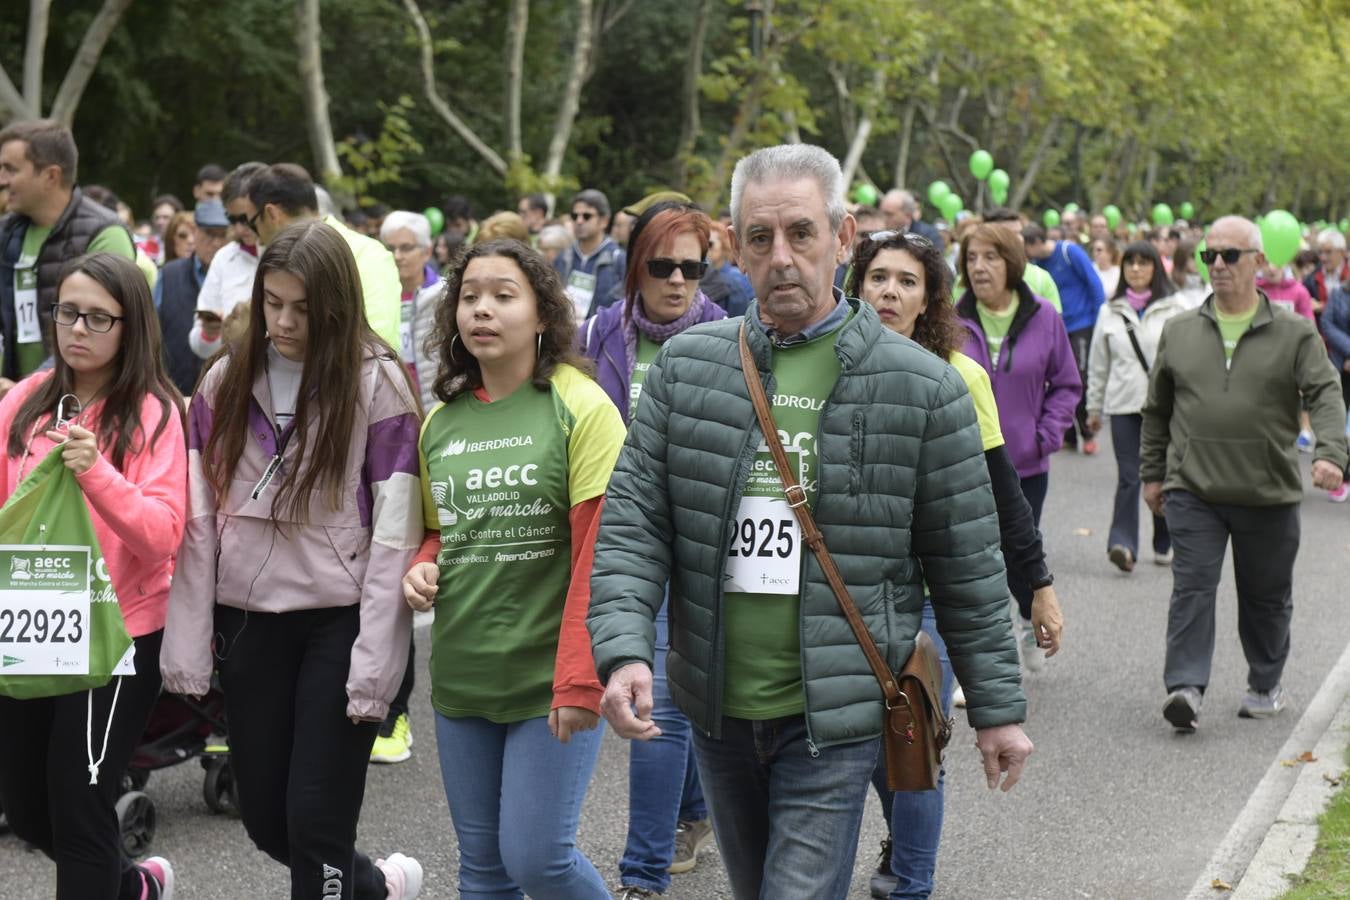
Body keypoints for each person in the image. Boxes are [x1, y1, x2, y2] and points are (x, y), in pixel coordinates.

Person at [588, 144, 1033, 900]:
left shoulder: (923, 388)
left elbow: (966, 562)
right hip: (717, 705)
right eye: (760, 239)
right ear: (735, 246)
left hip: (840, 708)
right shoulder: (688, 369)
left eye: (802, 233)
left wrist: (997, 711)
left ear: (844, 237)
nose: (782, 257)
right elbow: (633, 523)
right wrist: (625, 650)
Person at [160, 221, 426, 899]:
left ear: (335, 304)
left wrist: (377, 660)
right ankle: (377, 888)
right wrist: (187, 642)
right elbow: (197, 524)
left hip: (340, 622)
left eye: (303, 309)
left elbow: (395, 531)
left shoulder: (378, 381)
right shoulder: (223, 380)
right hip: (250, 620)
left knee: (315, 823)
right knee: (265, 822)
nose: (283, 321)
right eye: (273, 301)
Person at [401, 239, 623, 899]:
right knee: (483, 874)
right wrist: (422, 565)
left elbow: (599, 555)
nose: (481, 310)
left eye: (503, 295)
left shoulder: (581, 406)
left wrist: (581, 682)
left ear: (543, 315)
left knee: (538, 861)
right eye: (469, 296)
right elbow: (442, 531)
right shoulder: (439, 422)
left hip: (547, 680)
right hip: (465, 677)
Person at [848, 230, 1062, 900]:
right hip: (844, 594)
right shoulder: (829, 366)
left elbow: (1002, 495)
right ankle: (901, 842)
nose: (889, 292)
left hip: (928, 594)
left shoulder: (959, 375)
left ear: (929, 299)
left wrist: (1039, 588)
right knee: (862, 751)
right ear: (856, 288)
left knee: (913, 743)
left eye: (907, 281)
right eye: (878, 278)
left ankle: (911, 881)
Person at [0, 252, 186, 899]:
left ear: (130, 326)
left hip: (116, 637)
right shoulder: (25, 402)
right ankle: (131, 887)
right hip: (30, 628)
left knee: (80, 808)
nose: (77, 329)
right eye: (67, 313)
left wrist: (95, 471)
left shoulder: (154, 411)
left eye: (97, 318)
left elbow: (164, 533)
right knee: (25, 809)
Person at [1141, 216, 1348, 732]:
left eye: (1230, 256)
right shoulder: (1180, 330)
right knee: (1192, 587)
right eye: (1210, 255)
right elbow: (1157, 410)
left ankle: (1264, 681)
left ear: (1258, 261)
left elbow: (1325, 393)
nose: (1217, 265)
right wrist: (1151, 474)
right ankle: (1185, 686)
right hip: (1194, 488)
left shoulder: (1294, 333)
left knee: (1265, 596)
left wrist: (1331, 453)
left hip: (1268, 491)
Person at [578, 203, 723, 898]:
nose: (676, 280)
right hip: (626, 536)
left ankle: (641, 875)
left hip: (702, 540)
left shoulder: (728, 334)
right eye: (662, 266)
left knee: (669, 700)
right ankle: (691, 816)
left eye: (691, 268)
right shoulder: (598, 333)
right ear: (636, 265)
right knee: (666, 695)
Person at [954, 222, 1081, 672]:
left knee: (1017, 549)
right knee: (971, 559)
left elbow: (1066, 383)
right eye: (971, 258)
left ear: (1011, 263)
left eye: (990, 257)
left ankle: (1030, 618)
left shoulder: (1044, 315)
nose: (979, 267)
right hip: (964, 465)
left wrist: (1046, 435)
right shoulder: (950, 317)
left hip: (1026, 464)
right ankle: (979, 656)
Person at [0, 120, 135, 389]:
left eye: (10, 169)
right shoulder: (6, 232)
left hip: (83, 400)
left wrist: (30, 389)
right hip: (13, 399)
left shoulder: (106, 233)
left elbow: (111, 332)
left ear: (51, 175)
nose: (1, 179)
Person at [1085, 241, 1188, 573]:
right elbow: (1098, 364)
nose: (1136, 269)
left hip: (1167, 409)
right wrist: (1093, 407)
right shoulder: (1109, 311)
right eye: (1130, 262)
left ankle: (1164, 538)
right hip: (1124, 405)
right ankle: (1123, 544)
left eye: (1144, 263)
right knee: (1129, 476)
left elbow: (1191, 361)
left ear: (1156, 268)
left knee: (1163, 474)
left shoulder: (1176, 308)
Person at [245, 164, 402, 352]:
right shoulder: (368, 252)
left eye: (253, 224)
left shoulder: (368, 255)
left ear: (271, 213)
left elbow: (376, 346)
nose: (257, 238)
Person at [1024, 222, 1105, 453]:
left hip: (1082, 324)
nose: (1029, 258)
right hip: (1055, 326)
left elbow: (1094, 284)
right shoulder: (1037, 263)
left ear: (1038, 243)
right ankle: (1068, 435)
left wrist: (1101, 319)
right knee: (1058, 378)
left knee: (1079, 377)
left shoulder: (1070, 252)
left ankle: (1088, 433)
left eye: (1029, 251)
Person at [190, 161, 266, 360]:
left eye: (246, 218)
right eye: (232, 220)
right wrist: (210, 333)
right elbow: (200, 347)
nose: (240, 228)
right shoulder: (225, 257)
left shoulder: (293, 253)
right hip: (235, 376)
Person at [157, 199, 231, 395]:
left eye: (222, 235)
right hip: (174, 390)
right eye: (209, 234)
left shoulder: (239, 277)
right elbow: (150, 331)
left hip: (226, 391)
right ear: (195, 232)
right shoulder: (168, 274)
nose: (216, 242)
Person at [380, 210, 443, 411]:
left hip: (438, 405)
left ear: (427, 251)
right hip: (393, 407)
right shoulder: (376, 297)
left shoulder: (445, 295)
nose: (397, 256)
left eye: (406, 248)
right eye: (390, 248)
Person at [555, 188, 625, 322]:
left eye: (587, 216)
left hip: (601, 338)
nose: (579, 221)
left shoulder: (619, 259)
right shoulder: (564, 257)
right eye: (575, 216)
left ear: (604, 221)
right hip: (566, 334)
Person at [699, 220, 753, 317]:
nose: (705, 249)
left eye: (710, 244)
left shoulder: (737, 278)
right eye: (701, 244)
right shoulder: (698, 276)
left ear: (724, 246)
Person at [1305, 229, 1347, 319]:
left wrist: (1323, 307)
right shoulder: (1311, 279)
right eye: (1320, 252)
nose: (1323, 257)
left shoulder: (1348, 275)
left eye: (1328, 252)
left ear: (1342, 252)